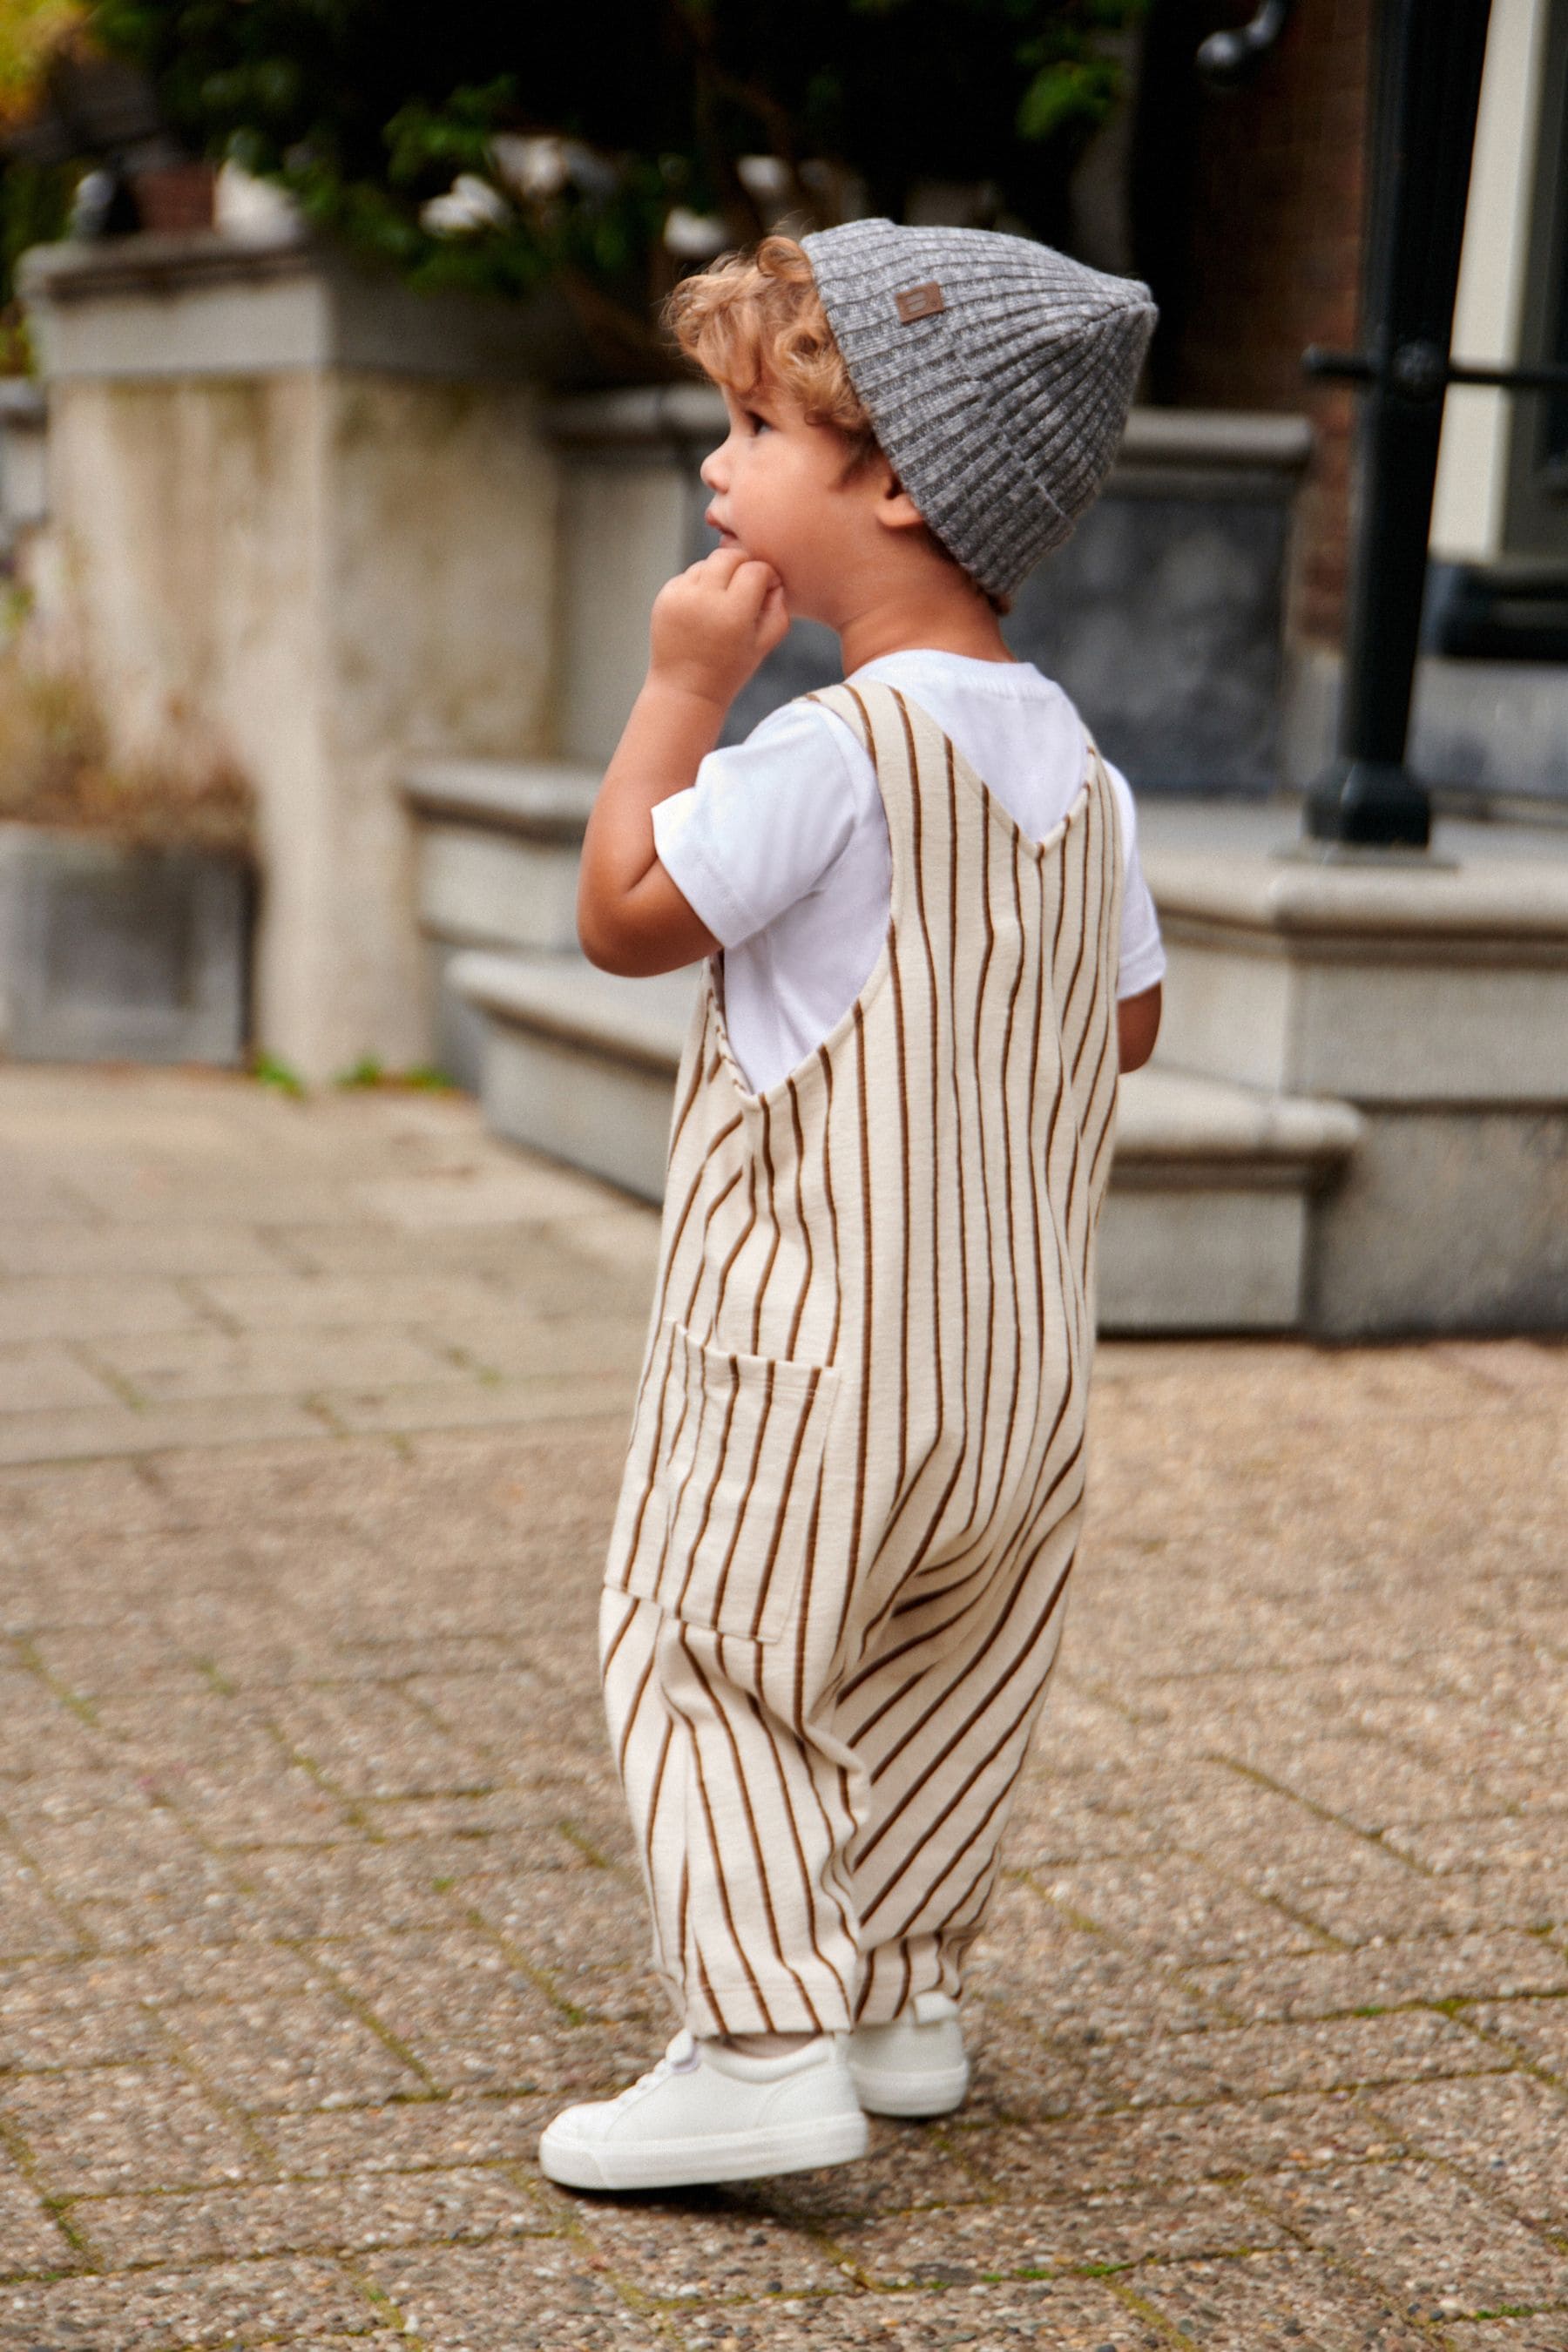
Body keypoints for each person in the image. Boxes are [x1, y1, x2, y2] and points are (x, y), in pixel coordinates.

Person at [539, 221, 1164, 2193]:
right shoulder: (1081, 768)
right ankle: (894, 2000)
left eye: (753, 426)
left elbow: (628, 915)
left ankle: (756, 2042)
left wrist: (678, 691)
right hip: (1014, 1380)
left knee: (710, 1651)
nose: (715, 469)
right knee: (933, 1682)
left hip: (809, 1360)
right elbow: (1128, 1023)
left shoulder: (830, 747)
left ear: (896, 483)